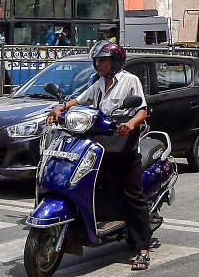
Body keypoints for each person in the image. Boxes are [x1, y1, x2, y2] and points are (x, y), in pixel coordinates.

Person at [48, 41, 153, 271]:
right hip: (101, 144)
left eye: (103, 60)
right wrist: (61, 108)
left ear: (115, 62)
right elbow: (81, 99)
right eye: (97, 61)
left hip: (124, 145)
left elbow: (142, 109)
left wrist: (130, 123)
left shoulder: (129, 81)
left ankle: (143, 249)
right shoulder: (98, 83)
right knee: (92, 184)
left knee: (133, 196)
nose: (98, 65)